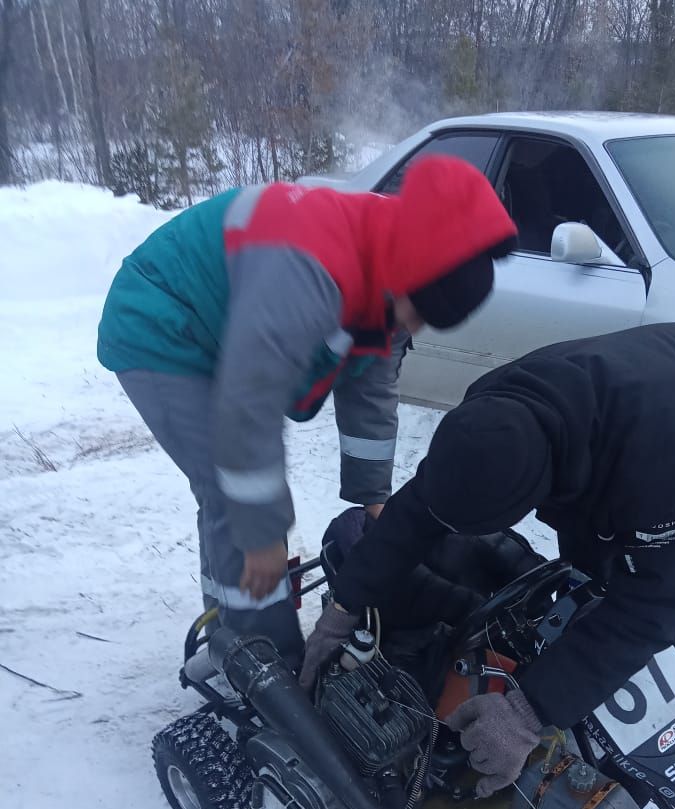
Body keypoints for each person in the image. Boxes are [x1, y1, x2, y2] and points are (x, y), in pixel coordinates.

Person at [300, 323, 675, 795]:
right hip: (641, 402)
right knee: (589, 578)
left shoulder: (663, 469)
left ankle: (643, 752)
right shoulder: (491, 411)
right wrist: (345, 606)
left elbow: (657, 604)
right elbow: (418, 511)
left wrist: (526, 714)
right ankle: (576, 692)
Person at [97, 157, 518, 663]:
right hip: (164, 319)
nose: (417, 328)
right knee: (238, 502)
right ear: (409, 280)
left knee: (237, 504)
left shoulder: (402, 253)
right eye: (418, 313)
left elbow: (372, 386)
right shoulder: (312, 267)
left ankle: (227, 630)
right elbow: (249, 403)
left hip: (227, 327)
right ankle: (270, 671)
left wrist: (374, 498)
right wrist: (258, 536)